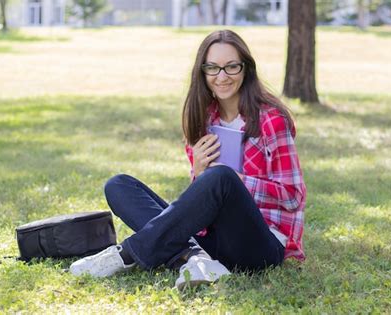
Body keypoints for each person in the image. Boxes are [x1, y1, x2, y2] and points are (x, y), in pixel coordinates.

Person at [69, 30, 306, 290]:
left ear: (246, 69)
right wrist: (199, 172)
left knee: (222, 177)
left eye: (231, 67)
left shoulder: (271, 120)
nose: (222, 76)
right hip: (212, 240)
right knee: (119, 185)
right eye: (213, 68)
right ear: (202, 72)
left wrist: (237, 181)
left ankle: (126, 254)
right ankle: (196, 258)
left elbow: (293, 196)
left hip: (260, 246)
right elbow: (202, 200)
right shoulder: (204, 119)